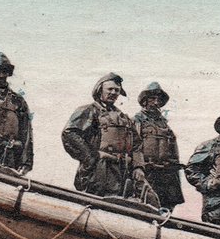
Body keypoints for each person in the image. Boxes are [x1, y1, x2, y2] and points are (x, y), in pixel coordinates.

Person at [62, 73, 156, 204]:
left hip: (123, 172)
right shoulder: (90, 110)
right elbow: (70, 134)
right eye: (110, 89)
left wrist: (138, 167)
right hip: (98, 171)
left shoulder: (123, 117)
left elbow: (137, 144)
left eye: (117, 90)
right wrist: (91, 157)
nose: (113, 93)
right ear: (100, 89)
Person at [133, 82, 185, 213]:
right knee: (145, 207)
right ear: (144, 100)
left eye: (159, 100)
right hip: (147, 173)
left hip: (167, 176)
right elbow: (133, 147)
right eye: (152, 99)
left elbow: (174, 152)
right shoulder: (137, 121)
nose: (156, 103)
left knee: (166, 211)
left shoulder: (165, 125)